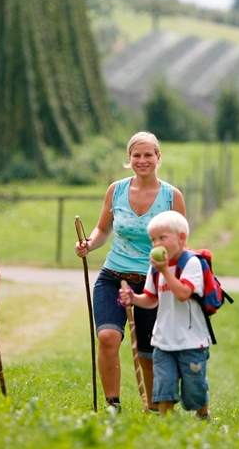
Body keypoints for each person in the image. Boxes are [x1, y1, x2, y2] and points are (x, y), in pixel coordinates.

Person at [74, 131, 186, 412]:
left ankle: (153, 407)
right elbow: (103, 229)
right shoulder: (117, 190)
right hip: (114, 276)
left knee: (149, 352)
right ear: (129, 159)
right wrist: (89, 244)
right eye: (136, 155)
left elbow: (181, 242)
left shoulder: (172, 196)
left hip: (153, 282)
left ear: (158, 157)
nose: (142, 160)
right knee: (108, 337)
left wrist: (175, 276)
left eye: (148, 155)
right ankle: (113, 404)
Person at [118, 210, 211, 420]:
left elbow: (182, 294)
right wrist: (133, 298)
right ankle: (165, 422)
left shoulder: (192, 263)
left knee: (194, 388)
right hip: (163, 339)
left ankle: (202, 414)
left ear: (181, 238)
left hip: (191, 340)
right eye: (153, 240)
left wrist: (165, 271)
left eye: (162, 238)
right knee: (164, 385)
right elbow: (151, 299)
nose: (156, 244)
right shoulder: (156, 268)